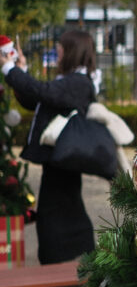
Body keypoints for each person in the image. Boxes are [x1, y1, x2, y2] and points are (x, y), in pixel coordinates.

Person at [2, 31, 100, 265]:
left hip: (64, 156)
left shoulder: (79, 82)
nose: (57, 54)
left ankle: (57, 256)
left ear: (71, 52)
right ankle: (75, 251)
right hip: (59, 157)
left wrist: (9, 69)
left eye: (60, 50)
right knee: (63, 205)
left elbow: (42, 93)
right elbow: (36, 100)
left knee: (54, 209)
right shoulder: (70, 81)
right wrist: (20, 71)